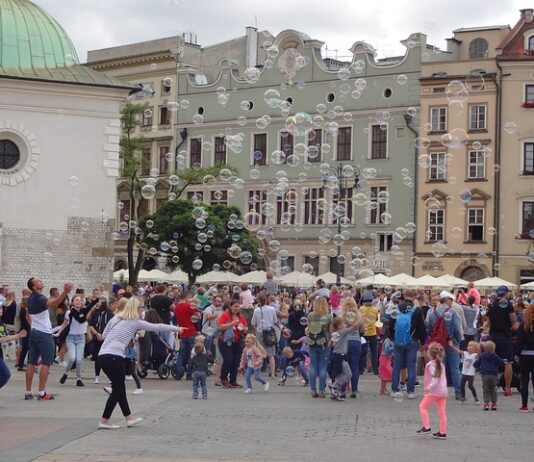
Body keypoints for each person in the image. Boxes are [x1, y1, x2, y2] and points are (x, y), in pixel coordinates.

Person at [98, 297, 183, 429]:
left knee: (120, 388)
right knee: (118, 389)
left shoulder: (117, 318)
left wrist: (121, 339)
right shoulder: (135, 322)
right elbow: (157, 326)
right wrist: (176, 328)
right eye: (142, 307)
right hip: (115, 356)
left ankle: (128, 418)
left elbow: (104, 335)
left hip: (103, 356)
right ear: (136, 309)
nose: (143, 310)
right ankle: (104, 420)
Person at [25, 278, 74, 400]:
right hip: (44, 333)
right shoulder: (40, 298)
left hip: (34, 332)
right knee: (46, 362)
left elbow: (27, 315)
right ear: (35, 287)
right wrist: (65, 292)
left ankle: (28, 392)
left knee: (31, 363)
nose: (41, 281)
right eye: (38, 281)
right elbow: (53, 304)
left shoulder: (31, 298)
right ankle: (42, 392)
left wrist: (33, 326)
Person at [426, 291, 463, 400]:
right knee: (455, 368)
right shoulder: (452, 312)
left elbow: (429, 329)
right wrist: (458, 340)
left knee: (438, 367)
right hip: (451, 342)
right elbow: (457, 328)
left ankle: (437, 391)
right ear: (446, 300)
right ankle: (458, 392)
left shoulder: (433, 313)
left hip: (438, 344)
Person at [390, 290, 427, 399]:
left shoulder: (396, 308)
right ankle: (410, 391)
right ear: (414, 297)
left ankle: (394, 389)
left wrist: (393, 337)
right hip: (412, 340)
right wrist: (422, 341)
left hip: (398, 340)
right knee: (411, 365)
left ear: (404, 296)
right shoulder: (417, 310)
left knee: (397, 365)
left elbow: (390, 324)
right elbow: (422, 328)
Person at [56, 294, 97, 387]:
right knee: (71, 358)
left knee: (79, 360)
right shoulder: (69, 313)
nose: (79, 302)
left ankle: (79, 379)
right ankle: (66, 373)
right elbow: (64, 324)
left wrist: (95, 300)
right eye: (76, 300)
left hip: (81, 338)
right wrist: (58, 333)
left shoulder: (84, 311)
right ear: (72, 302)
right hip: (70, 338)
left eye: (80, 300)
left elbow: (90, 315)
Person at [487, 285, 516, 396]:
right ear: (506, 293)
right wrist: (512, 325)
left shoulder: (492, 305)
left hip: (493, 336)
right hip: (505, 336)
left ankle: (492, 387)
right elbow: (513, 320)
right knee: (508, 362)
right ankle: (507, 389)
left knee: (492, 361)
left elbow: (488, 322)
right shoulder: (508, 305)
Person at [417, 342, 448, 439]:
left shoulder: (430, 365)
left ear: (429, 353)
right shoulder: (441, 364)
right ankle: (442, 432)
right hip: (443, 391)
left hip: (434, 391)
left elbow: (436, 377)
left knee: (422, 407)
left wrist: (429, 387)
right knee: (442, 412)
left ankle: (426, 426)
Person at [217, 301, 248, 388]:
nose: (236, 308)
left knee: (236, 361)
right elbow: (220, 327)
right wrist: (231, 324)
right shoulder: (225, 315)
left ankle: (233, 380)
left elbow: (245, 328)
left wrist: (242, 327)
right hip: (225, 341)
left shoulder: (241, 317)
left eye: (238, 307)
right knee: (228, 359)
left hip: (237, 341)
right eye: (235, 306)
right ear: (231, 306)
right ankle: (224, 378)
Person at [307, 297, 333, 398]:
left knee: (313, 366)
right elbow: (330, 332)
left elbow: (309, 330)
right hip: (324, 343)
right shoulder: (329, 316)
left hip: (312, 342)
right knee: (323, 366)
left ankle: (313, 390)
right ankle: (322, 390)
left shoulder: (310, 315)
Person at [328, 316, 358, 401]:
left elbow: (329, 345)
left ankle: (335, 392)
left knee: (339, 373)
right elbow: (353, 327)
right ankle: (334, 386)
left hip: (335, 355)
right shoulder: (343, 331)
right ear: (340, 326)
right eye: (343, 323)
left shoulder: (335, 333)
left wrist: (334, 343)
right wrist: (359, 319)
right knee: (348, 374)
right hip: (340, 356)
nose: (345, 325)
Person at [341, 297, 364, 398]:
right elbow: (363, 331)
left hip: (344, 343)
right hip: (356, 342)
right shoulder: (359, 316)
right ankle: (353, 390)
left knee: (343, 367)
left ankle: (342, 390)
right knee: (355, 367)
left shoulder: (341, 316)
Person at [251, 293, 278, 378]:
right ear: (266, 300)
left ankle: (257, 371)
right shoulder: (272, 309)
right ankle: (273, 373)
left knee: (259, 354)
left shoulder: (256, 310)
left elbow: (253, 323)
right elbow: (275, 320)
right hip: (269, 332)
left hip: (260, 332)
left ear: (258, 300)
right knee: (271, 354)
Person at [174, 292, 199, 380]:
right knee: (191, 354)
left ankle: (177, 372)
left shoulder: (176, 307)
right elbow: (196, 317)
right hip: (191, 331)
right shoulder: (188, 306)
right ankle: (189, 374)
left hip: (182, 331)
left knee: (181, 354)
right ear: (187, 297)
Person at [473, 340, 504, 411]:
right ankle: (494, 404)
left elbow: (475, 364)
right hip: (494, 375)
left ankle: (486, 403)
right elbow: (501, 363)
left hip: (485, 375)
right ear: (493, 349)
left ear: (484, 348)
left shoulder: (482, 356)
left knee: (486, 389)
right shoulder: (495, 356)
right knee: (494, 389)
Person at [88, 299, 113, 384]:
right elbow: (90, 325)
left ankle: (110, 376)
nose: (97, 304)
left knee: (107, 358)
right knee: (97, 358)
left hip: (107, 339)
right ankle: (97, 376)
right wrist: (96, 333)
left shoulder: (109, 313)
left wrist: (107, 336)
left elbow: (112, 326)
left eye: (99, 303)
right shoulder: (94, 313)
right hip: (97, 338)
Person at [515, 302, 534, 412]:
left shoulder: (524, 326)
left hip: (525, 355)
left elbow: (519, 342)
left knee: (525, 380)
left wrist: (517, 354)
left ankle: (524, 405)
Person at [359, 295, 379, 375]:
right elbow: (377, 319)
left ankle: (361, 369)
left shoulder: (361, 309)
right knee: (374, 352)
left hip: (363, 333)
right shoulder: (375, 309)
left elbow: (359, 319)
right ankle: (375, 369)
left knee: (363, 351)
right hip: (372, 332)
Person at [379, 326, 394, 395]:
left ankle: (383, 388)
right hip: (385, 358)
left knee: (385, 375)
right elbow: (387, 350)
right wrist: (395, 347)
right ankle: (382, 389)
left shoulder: (388, 340)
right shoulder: (388, 341)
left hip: (386, 358)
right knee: (386, 373)